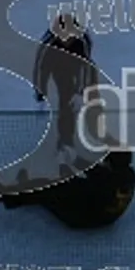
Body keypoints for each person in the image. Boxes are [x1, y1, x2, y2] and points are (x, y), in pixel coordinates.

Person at [0, 150, 135, 230]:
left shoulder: (101, 180)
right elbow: (95, 171)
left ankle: (5, 193)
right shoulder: (130, 175)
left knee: (50, 188)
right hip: (109, 217)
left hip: (83, 220)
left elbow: (86, 170)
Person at [32, 12, 97, 162]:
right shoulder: (48, 44)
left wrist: (80, 92)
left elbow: (85, 67)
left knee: (74, 97)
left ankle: (72, 139)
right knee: (65, 98)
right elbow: (41, 69)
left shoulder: (82, 41)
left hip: (75, 61)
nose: (67, 40)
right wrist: (40, 93)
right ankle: (65, 143)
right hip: (57, 63)